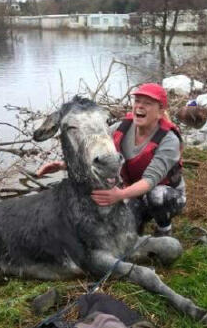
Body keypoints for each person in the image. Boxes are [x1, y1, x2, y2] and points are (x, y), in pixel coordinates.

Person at [36, 83, 186, 236]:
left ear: (160, 112)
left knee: (158, 197)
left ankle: (164, 228)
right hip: (131, 191)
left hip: (163, 192)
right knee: (124, 227)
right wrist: (63, 165)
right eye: (137, 102)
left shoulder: (169, 140)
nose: (140, 107)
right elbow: (98, 155)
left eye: (147, 103)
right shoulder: (121, 128)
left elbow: (150, 180)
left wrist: (119, 195)